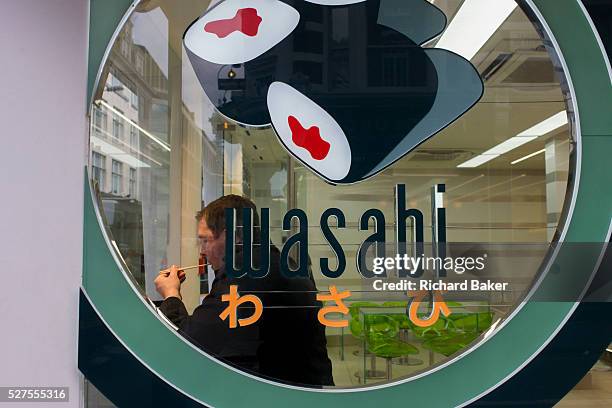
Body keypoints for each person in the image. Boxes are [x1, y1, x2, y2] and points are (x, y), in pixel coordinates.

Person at [155, 195, 334, 387]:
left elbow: (191, 342)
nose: (202, 250)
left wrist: (171, 293)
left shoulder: (245, 271)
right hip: (306, 388)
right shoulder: (272, 262)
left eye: (205, 241)